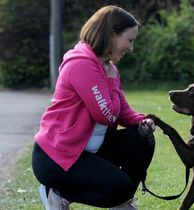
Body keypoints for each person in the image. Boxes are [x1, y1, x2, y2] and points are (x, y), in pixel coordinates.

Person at [32, 5, 156, 210]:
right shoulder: (81, 66)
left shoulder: (107, 67)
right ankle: (57, 193)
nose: (131, 48)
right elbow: (106, 115)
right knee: (121, 186)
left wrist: (143, 121)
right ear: (111, 36)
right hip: (56, 159)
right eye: (130, 40)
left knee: (142, 138)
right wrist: (112, 82)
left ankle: (120, 203)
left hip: (88, 150)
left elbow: (123, 111)